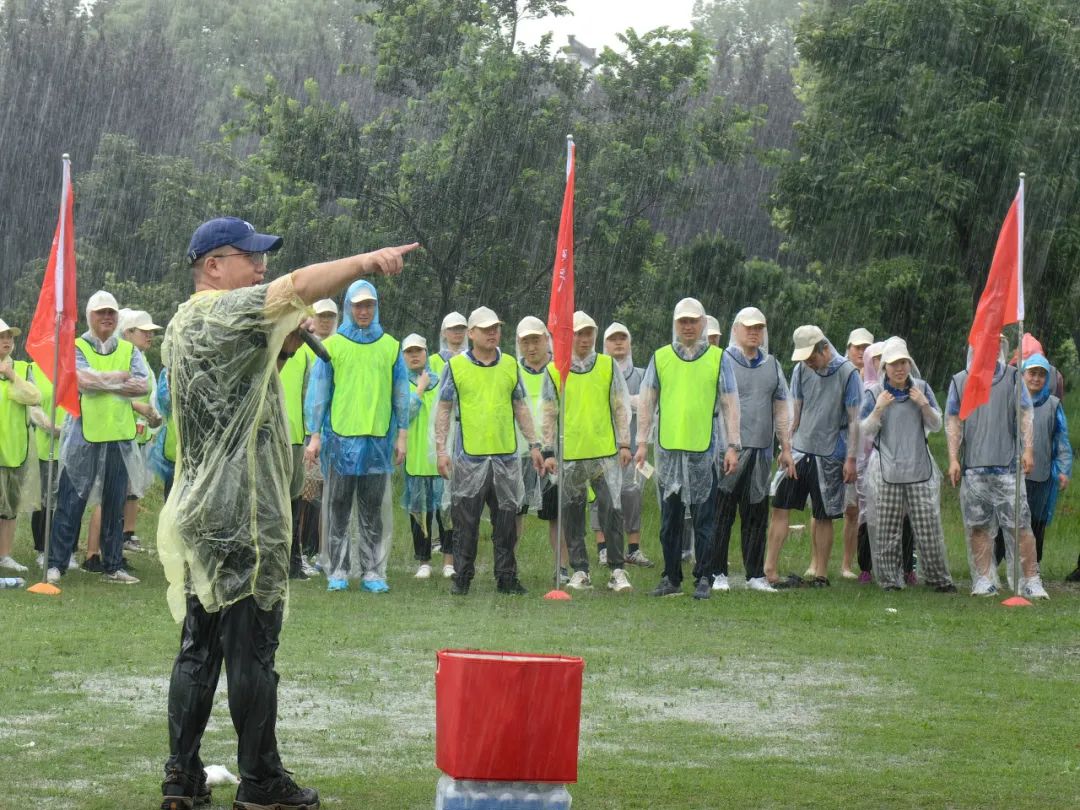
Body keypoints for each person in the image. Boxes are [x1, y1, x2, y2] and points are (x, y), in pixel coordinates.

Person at [157, 214, 415, 809]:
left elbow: (232, 397)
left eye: (263, 255)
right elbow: (298, 287)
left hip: (201, 510)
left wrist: (277, 348)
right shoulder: (227, 309)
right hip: (245, 513)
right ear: (211, 266)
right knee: (251, 651)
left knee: (200, 645)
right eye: (247, 255)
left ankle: (182, 775)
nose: (261, 263)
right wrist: (367, 261)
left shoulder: (181, 324)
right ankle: (261, 781)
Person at [304, 279, 407, 593]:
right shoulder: (333, 346)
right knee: (337, 505)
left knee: (372, 507)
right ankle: (337, 568)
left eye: (369, 305)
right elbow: (319, 393)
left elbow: (400, 394)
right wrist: (315, 435)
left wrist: (401, 434)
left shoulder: (390, 346)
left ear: (376, 307)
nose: (364, 310)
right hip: (339, 438)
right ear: (349, 307)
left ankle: (373, 571)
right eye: (358, 305)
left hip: (377, 439)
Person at [634, 298, 740, 600]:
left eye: (694, 321)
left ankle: (704, 576)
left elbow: (731, 403)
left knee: (705, 519)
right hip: (668, 453)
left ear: (703, 323)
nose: (688, 326)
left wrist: (733, 446)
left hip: (703, 451)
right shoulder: (661, 357)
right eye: (683, 321)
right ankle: (671, 576)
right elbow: (646, 401)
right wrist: (642, 442)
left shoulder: (719, 359)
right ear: (675, 324)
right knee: (670, 521)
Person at [434, 306, 544, 596]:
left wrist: (534, 444)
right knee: (465, 523)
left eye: (496, 327)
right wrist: (441, 451)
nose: (493, 332)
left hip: (506, 457)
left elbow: (520, 406)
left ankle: (506, 576)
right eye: (486, 329)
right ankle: (463, 576)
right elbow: (443, 409)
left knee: (507, 522)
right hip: (469, 458)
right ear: (471, 334)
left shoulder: (509, 365)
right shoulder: (456, 367)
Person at [46, 290, 149, 586]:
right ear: (90, 315)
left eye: (111, 313)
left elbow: (142, 386)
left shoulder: (129, 350)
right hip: (84, 436)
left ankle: (112, 564)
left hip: (119, 435)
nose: (106, 317)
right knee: (71, 499)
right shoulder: (77, 345)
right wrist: (119, 378)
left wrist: (104, 381)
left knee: (114, 502)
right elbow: (82, 381)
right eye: (100, 312)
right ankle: (57, 563)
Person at [945, 338, 1047, 599]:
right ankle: (984, 579)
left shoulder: (1014, 378)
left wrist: (1027, 449)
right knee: (979, 525)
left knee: (1020, 525)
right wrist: (954, 458)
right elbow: (954, 421)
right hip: (974, 468)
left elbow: (1026, 413)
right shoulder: (960, 380)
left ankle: (1031, 580)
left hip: (1008, 467)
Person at [541, 311, 633, 593]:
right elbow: (548, 413)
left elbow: (620, 405)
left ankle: (617, 569)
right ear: (568, 336)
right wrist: (548, 451)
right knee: (572, 513)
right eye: (578, 333)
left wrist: (625, 443)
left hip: (604, 454)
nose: (584, 339)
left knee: (611, 510)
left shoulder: (607, 366)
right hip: (570, 455)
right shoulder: (555, 370)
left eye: (589, 333)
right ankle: (580, 569)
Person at [764, 325, 859, 588]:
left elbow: (855, 421)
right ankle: (769, 568)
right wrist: (786, 448)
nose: (809, 362)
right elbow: (795, 410)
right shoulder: (800, 370)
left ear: (825, 348)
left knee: (824, 514)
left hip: (831, 452)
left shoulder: (848, 373)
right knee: (780, 506)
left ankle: (821, 573)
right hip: (799, 450)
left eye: (812, 357)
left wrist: (851, 459)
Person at [859, 338, 956, 592]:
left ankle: (939, 579)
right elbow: (865, 431)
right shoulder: (873, 393)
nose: (899, 369)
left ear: (909, 363)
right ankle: (891, 581)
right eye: (893, 364)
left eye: (903, 362)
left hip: (919, 469)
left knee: (928, 528)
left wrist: (924, 404)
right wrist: (878, 409)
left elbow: (937, 425)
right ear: (884, 368)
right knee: (887, 529)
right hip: (886, 470)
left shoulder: (921, 388)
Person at [707, 307, 793, 593]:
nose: (754, 332)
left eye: (759, 327)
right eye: (749, 327)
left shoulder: (772, 365)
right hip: (728, 451)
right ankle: (717, 571)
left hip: (762, 451)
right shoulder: (722, 361)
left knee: (756, 512)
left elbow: (781, 406)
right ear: (736, 329)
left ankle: (755, 573)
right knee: (722, 512)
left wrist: (786, 447)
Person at [83, 309, 164, 569]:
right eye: (144, 331)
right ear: (128, 332)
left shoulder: (138, 358)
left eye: (152, 332)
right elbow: (115, 394)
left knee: (121, 496)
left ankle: (113, 550)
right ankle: (93, 554)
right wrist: (141, 409)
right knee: (108, 496)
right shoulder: (120, 356)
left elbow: (143, 393)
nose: (149, 336)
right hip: (115, 435)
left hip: (133, 435)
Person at [992, 353, 1072, 572]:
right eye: (1032, 373)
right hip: (1010, 472)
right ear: (1023, 374)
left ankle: (1031, 570)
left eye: (1041, 375)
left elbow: (1061, 440)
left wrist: (1063, 470)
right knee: (1004, 521)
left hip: (1041, 476)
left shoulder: (1054, 405)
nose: (1036, 379)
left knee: (1036, 524)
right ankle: (992, 567)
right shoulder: (1011, 401)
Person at [592, 322, 653, 568]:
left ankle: (634, 549)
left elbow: (649, 405)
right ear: (604, 344)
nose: (618, 343)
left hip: (634, 444)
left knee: (632, 493)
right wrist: (630, 402)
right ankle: (604, 548)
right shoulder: (598, 372)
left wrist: (622, 402)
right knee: (601, 497)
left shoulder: (641, 374)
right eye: (613, 339)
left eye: (623, 338)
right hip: (603, 446)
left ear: (629, 343)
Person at [514, 315, 566, 580]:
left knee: (557, 514)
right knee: (514, 512)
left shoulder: (560, 370)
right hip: (520, 453)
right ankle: (508, 565)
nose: (532, 347)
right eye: (526, 342)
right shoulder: (512, 371)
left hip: (552, 455)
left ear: (547, 340)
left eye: (536, 340)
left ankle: (563, 568)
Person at [400, 333, 453, 579]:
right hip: (416, 459)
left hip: (440, 458)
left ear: (426, 353)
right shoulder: (401, 384)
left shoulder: (442, 381)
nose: (413, 355)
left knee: (446, 512)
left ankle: (449, 561)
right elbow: (404, 416)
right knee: (419, 512)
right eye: (408, 352)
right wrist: (419, 391)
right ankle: (423, 561)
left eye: (417, 351)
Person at [0, 317, 40, 573]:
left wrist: (11, 375)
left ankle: (5, 555)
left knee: (10, 508)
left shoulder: (23, 369)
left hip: (16, 450)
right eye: (1, 338)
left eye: (9, 338)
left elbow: (34, 397)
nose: (6, 342)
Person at [841, 327, 873, 579]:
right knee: (839, 508)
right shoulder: (842, 374)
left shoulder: (878, 379)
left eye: (866, 348)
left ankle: (856, 564)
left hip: (871, 454)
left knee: (862, 511)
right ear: (848, 348)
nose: (861, 352)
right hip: (845, 449)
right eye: (857, 347)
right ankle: (834, 563)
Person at [428, 311, 468, 375]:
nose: (458, 332)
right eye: (453, 328)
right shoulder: (432, 361)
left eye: (461, 328)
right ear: (443, 333)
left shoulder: (473, 359)